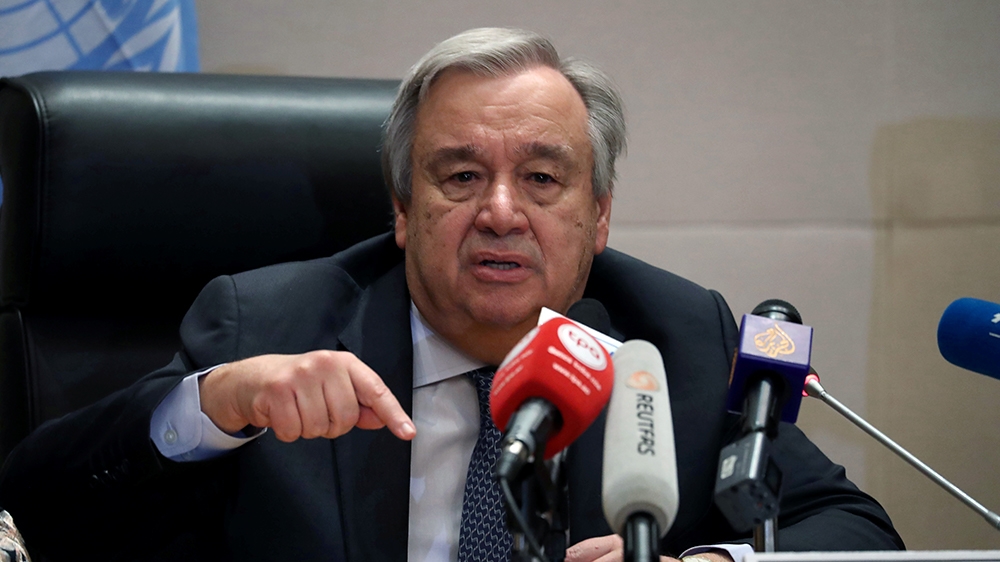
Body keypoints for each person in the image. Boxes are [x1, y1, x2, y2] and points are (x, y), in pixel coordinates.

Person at [0, 28, 902, 562]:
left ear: (600, 217)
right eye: (460, 176)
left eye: (543, 180)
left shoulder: (677, 342)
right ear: (402, 210)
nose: (501, 213)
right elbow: (34, 504)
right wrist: (213, 406)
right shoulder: (269, 325)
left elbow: (857, 531)